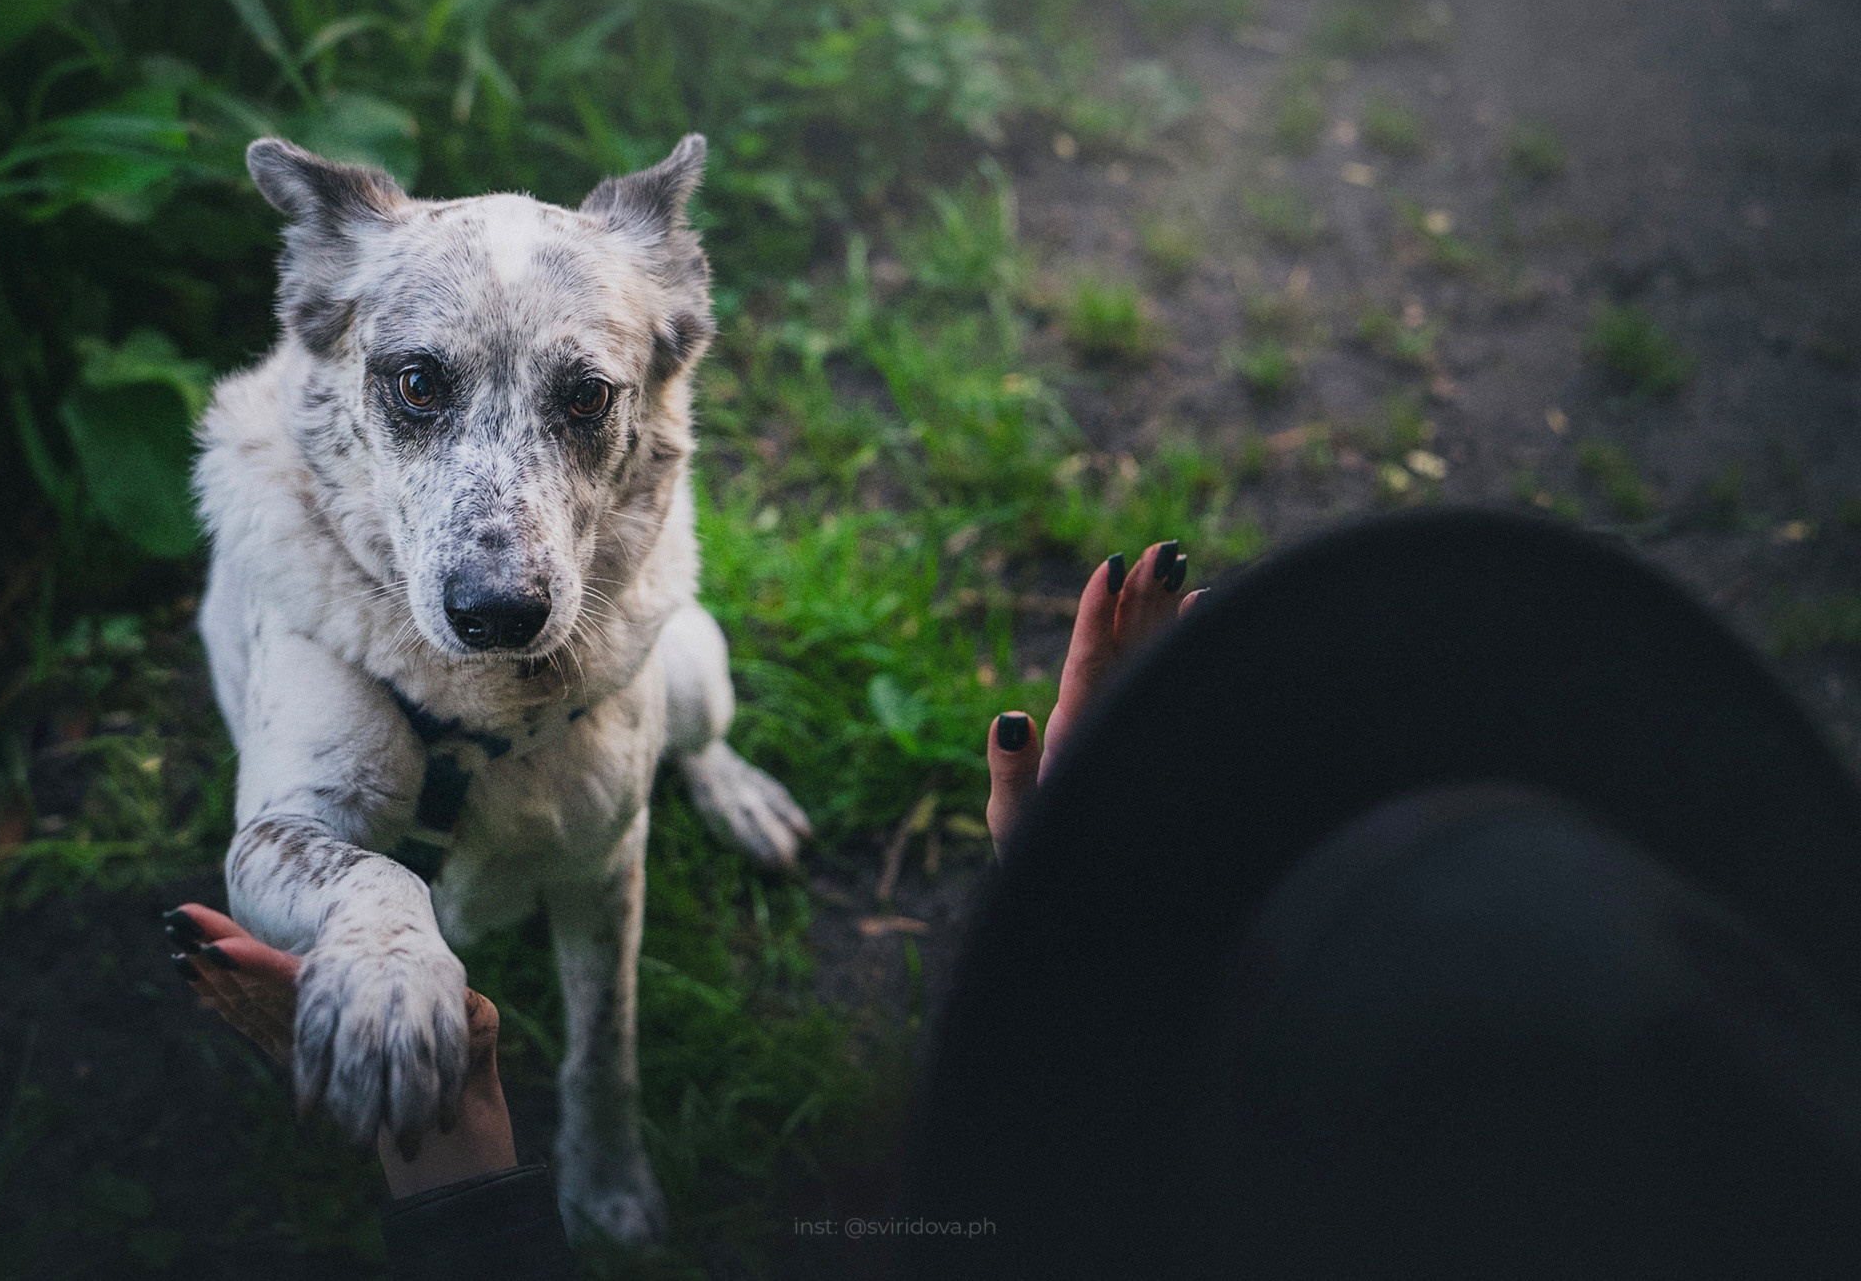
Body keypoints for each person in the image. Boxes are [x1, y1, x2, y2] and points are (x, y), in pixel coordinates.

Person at [170, 509, 1861, 1278]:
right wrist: (1097, 883)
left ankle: (694, 758)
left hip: (581, 809)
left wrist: (464, 1175)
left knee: (653, 739)